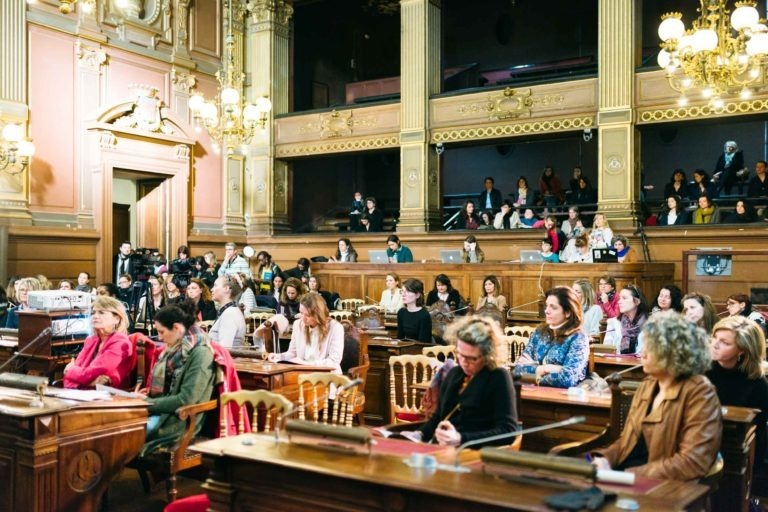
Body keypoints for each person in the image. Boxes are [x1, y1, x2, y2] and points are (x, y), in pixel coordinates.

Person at [591, 311, 722, 481]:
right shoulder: (649, 384)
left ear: (671, 353)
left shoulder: (700, 392)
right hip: (628, 476)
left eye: (650, 348)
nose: (642, 354)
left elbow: (693, 462)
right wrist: (605, 460)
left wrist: (627, 476)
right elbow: (628, 442)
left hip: (662, 486)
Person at [417, 316, 518, 447]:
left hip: (476, 453)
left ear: (488, 355)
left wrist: (461, 439)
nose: (463, 362)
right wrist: (419, 434)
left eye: (472, 358)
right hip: (444, 449)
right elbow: (438, 418)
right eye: (460, 354)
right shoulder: (454, 373)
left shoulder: (498, 377)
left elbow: (508, 432)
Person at [141, 301, 215, 454]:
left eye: (161, 332)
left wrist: (145, 403)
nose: (159, 338)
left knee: (117, 434)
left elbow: (186, 399)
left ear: (176, 328)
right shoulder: (173, 349)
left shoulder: (200, 353)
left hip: (178, 421)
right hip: (161, 412)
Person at [706, 316, 768, 474]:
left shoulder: (758, 384)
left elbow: (756, 435)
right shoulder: (700, 370)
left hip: (736, 451)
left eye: (725, 343)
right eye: (714, 338)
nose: (715, 345)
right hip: (701, 443)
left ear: (742, 350)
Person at [514, 287, 589, 388]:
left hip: (562, 399)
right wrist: (547, 369)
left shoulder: (578, 338)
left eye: (553, 307)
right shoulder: (540, 331)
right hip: (532, 393)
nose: (546, 311)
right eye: (547, 306)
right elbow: (518, 369)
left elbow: (567, 379)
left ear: (568, 312)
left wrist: (536, 370)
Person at [63, 296, 134, 389]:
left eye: (101, 312)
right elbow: (67, 379)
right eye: (93, 312)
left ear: (116, 319)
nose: (95, 316)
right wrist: (88, 382)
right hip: (81, 394)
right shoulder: (91, 340)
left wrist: (71, 371)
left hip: (111, 398)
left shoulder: (121, 343)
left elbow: (87, 373)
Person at [267, 292, 344, 372]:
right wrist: (279, 357)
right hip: (303, 372)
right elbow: (292, 353)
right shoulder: (298, 324)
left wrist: (307, 365)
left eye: (308, 315)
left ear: (318, 314)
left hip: (327, 376)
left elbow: (334, 362)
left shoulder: (336, 328)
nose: (303, 319)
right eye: (301, 313)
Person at [209, 275, 246, 348]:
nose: (211, 289)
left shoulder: (230, 314)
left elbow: (224, 348)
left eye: (215, 286)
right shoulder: (229, 311)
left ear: (226, 288)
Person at [616, 284, 649, 354]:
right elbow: (607, 351)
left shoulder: (649, 325)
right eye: (619, 298)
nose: (619, 302)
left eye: (624, 298)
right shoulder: (614, 323)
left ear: (637, 301)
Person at [397, 278, 432, 343]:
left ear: (417, 295)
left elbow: (423, 343)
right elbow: (400, 338)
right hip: (405, 349)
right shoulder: (401, 312)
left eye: (407, 291)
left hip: (419, 350)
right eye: (402, 291)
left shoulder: (424, 315)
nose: (403, 294)